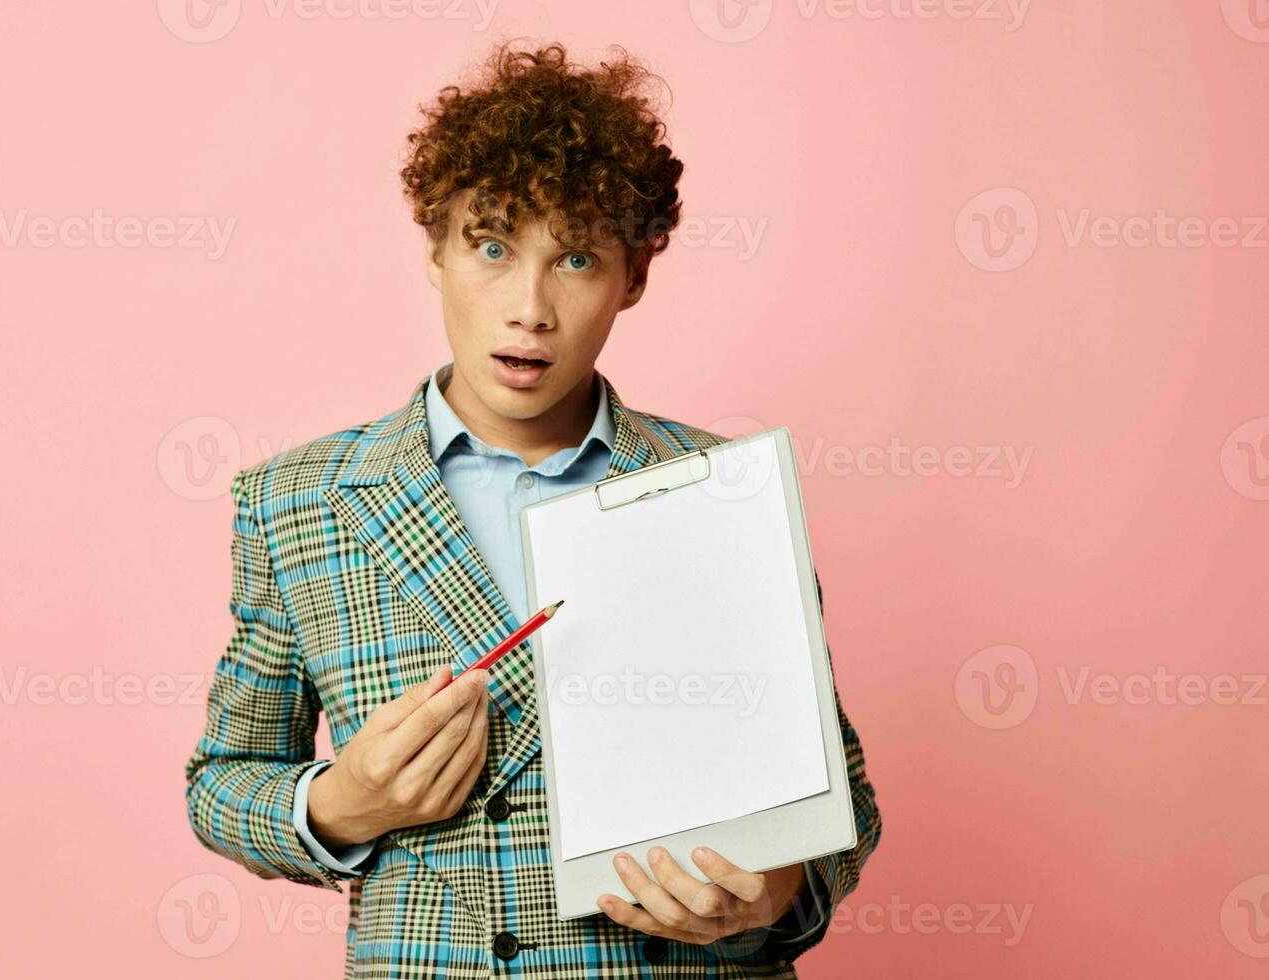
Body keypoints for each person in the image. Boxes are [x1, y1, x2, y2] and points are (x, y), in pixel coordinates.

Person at [184, 39, 880, 978]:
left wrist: (779, 890)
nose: (529, 307)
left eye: (578, 258)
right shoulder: (298, 500)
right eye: (492, 246)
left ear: (633, 277)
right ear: (435, 249)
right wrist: (340, 804)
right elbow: (222, 783)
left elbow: (846, 796)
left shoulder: (721, 490)